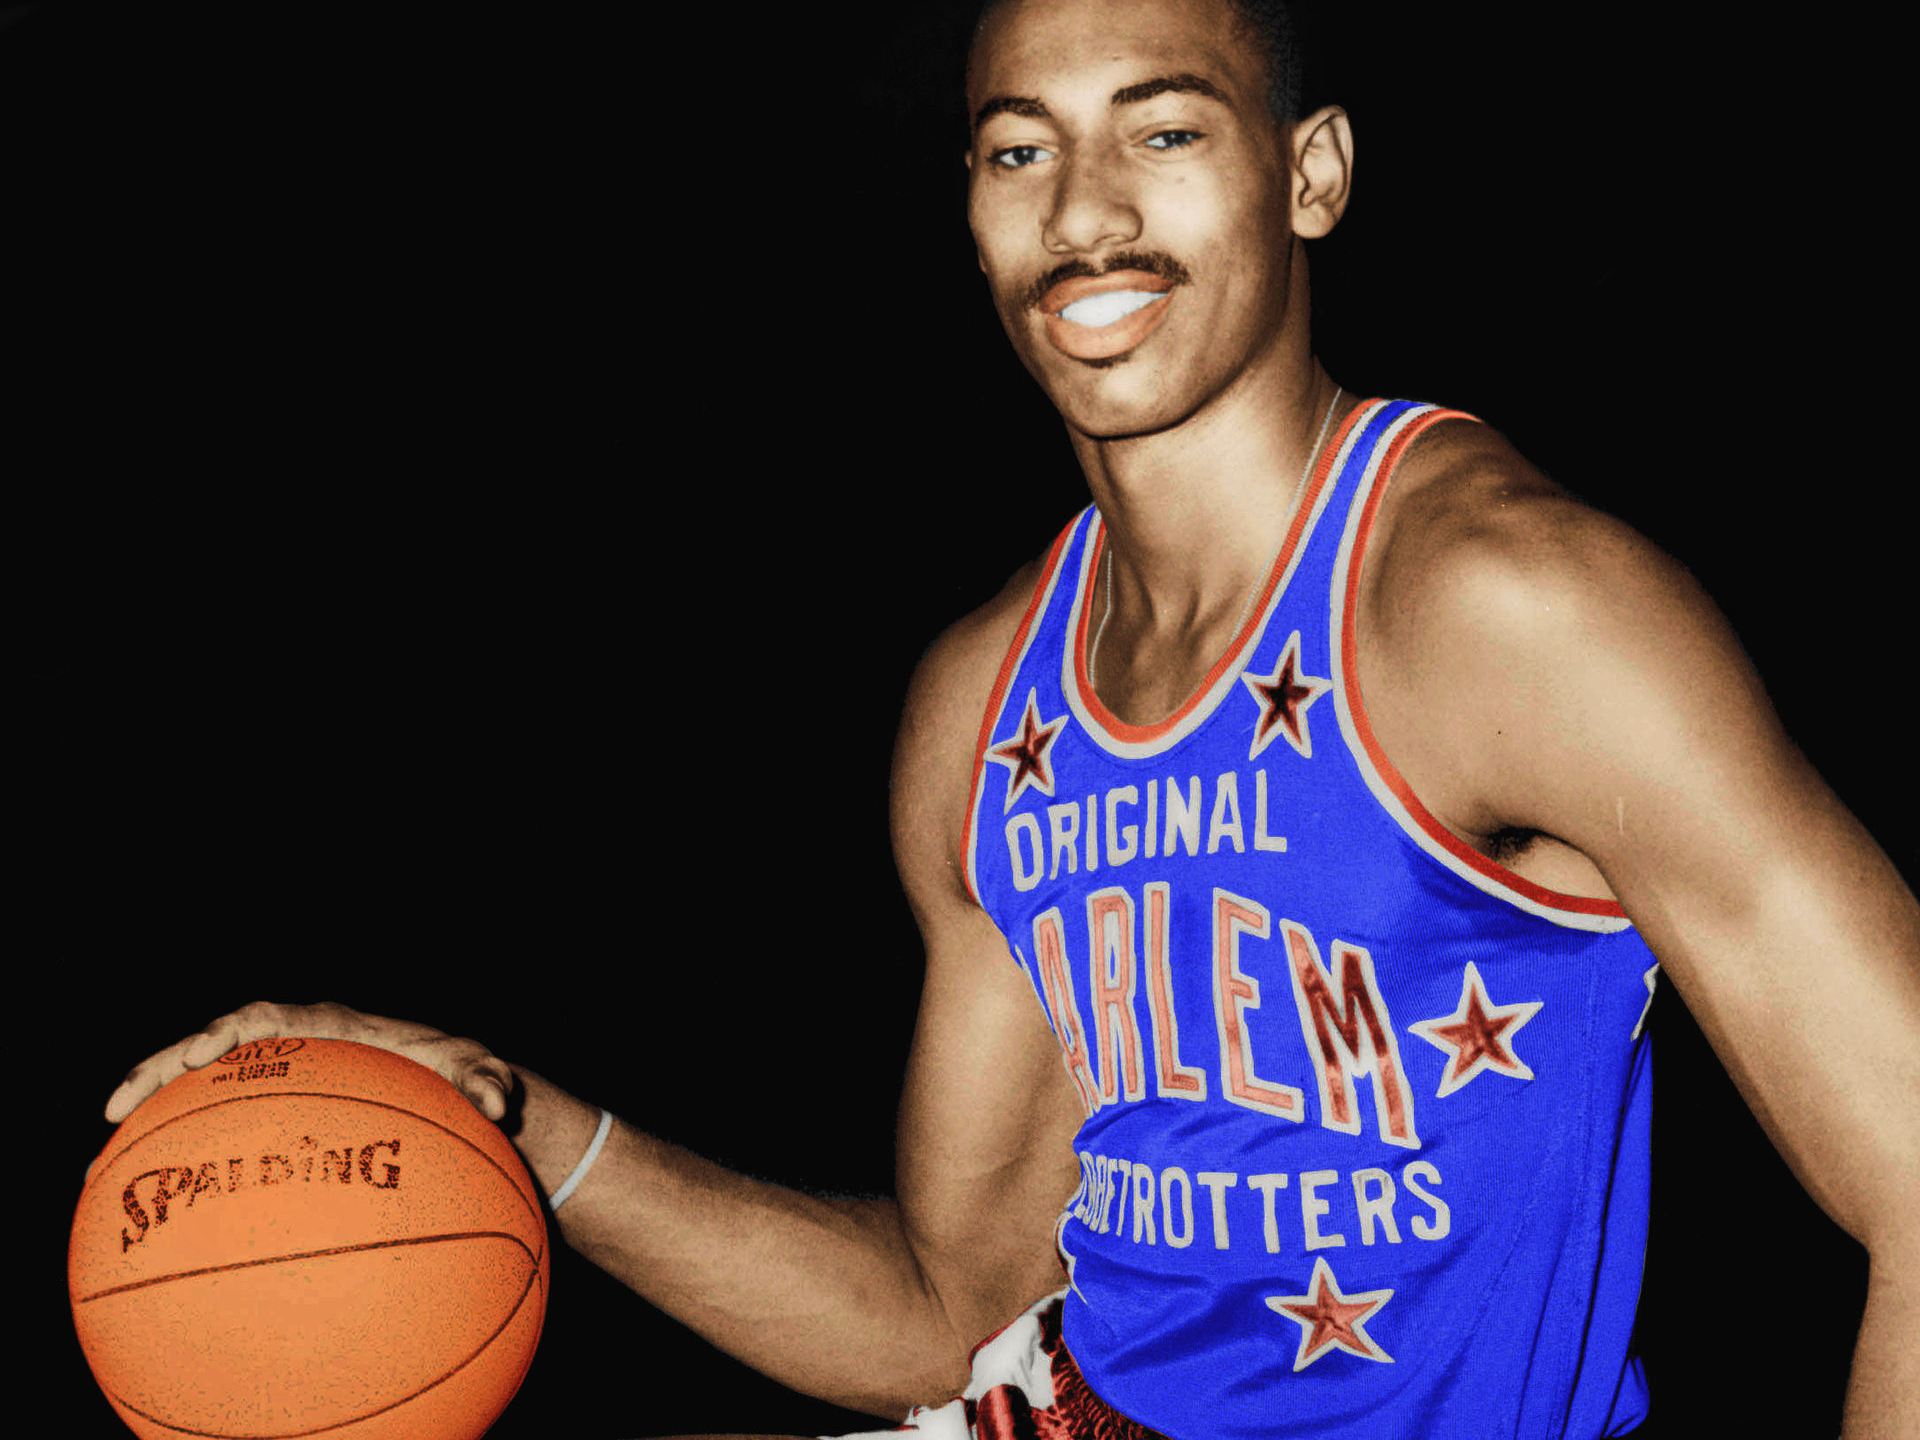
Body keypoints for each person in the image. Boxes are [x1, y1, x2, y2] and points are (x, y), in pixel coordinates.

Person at [100, 1, 1919, 1436]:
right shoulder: (987, 702)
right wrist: (514, 1123)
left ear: (1310, 173)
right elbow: (950, 1310)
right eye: (1019, 149)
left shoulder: (1507, 608)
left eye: (1164, 129)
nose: (1084, 210)